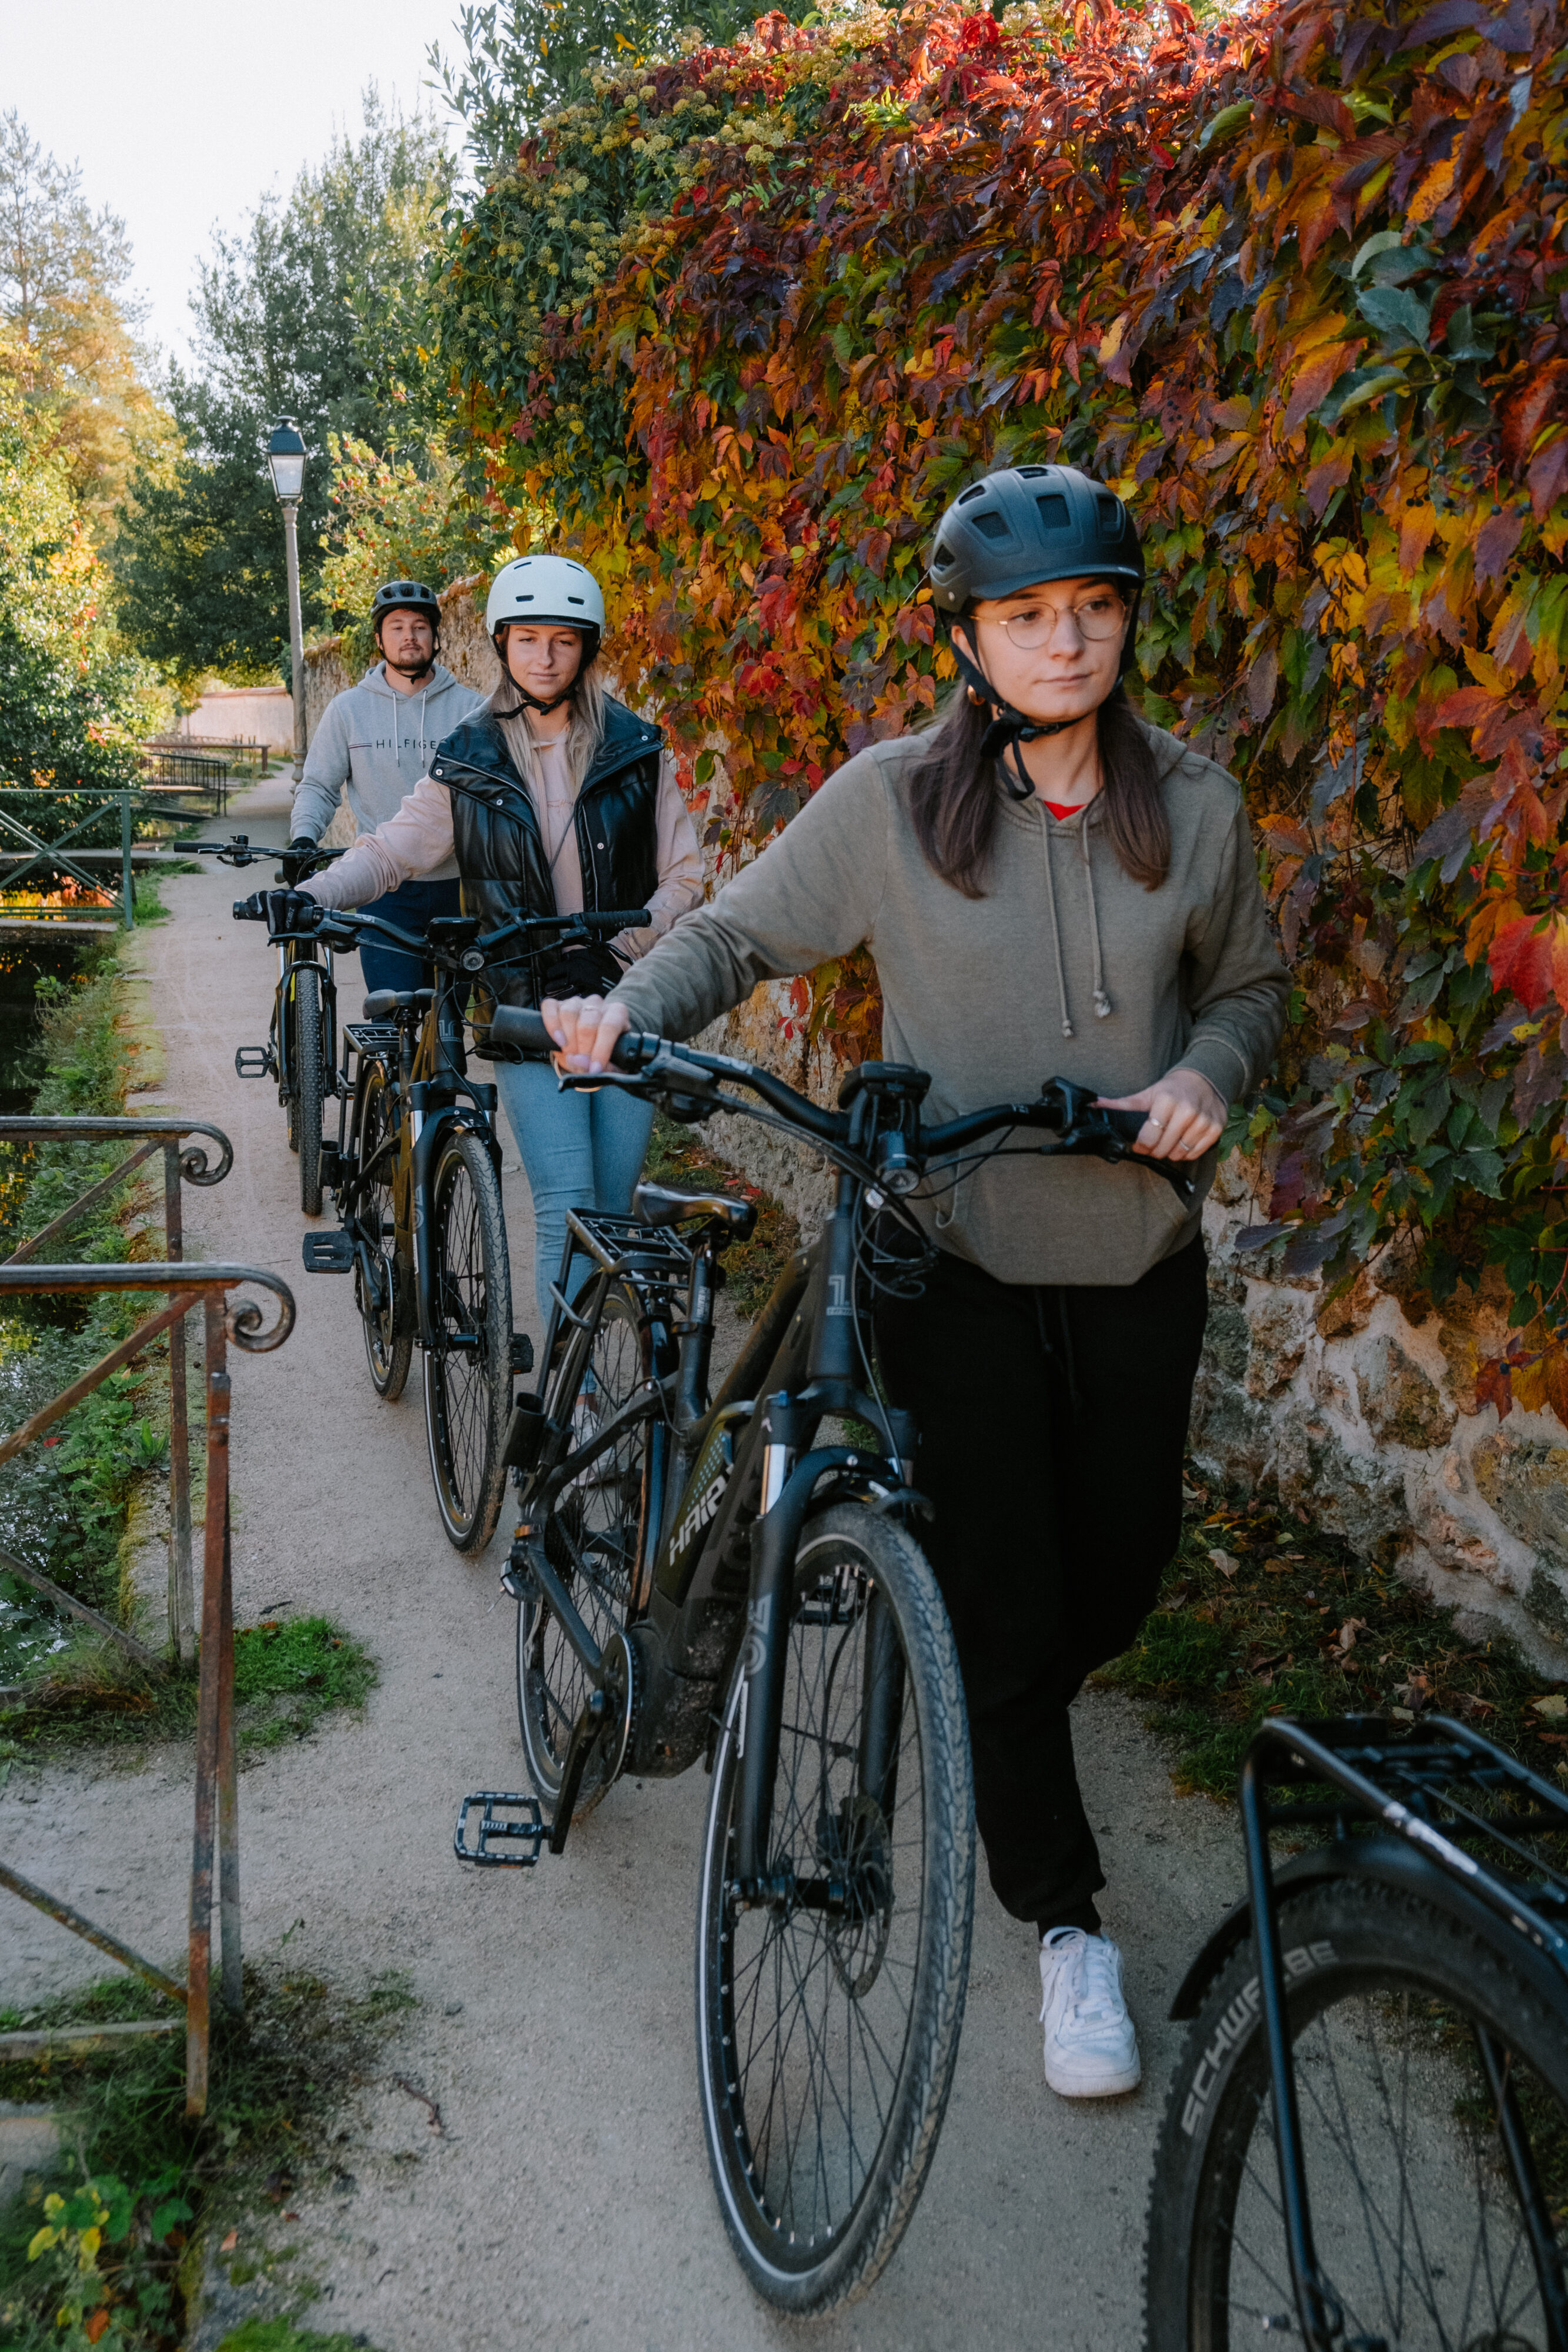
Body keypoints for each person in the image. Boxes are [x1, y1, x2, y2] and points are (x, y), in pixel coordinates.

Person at [537, 466, 1289, 2102]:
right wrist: (622, 1011)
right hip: (946, 1263)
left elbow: (1247, 987)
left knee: (1117, 1581)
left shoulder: (1201, 806)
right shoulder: (890, 807)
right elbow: (728, 938)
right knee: (1013, 1604)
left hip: (1133, 1259)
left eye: (1093, 607)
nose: (1067, 640)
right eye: (1028, 618)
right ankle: (1065, 1924)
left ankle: (992, 1707)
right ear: (969, 638)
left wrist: (1216, 1072)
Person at [298, 553, 702, 1324]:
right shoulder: (469, 757)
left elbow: (682, 881)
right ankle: (565, 1405)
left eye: (561, 640)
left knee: (613, 1209)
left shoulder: (638, 751)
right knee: (566, 1202)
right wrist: (309, 893)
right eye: (525, 640)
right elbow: (389, 850)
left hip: (628, 1000)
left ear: (586, 646)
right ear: (500, 645)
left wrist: (620, 951)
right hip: (524, 1004)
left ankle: (596, 1376)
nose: (543, 658)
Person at [286, 580, 486, 998]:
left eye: (419, 627)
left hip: (458, 889)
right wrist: (304, 837)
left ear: (436, 637)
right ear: (379, 639)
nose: (409, 637)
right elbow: (320, 785)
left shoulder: (472, 711)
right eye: (396, 627)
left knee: (448, 1023)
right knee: (393, 1013)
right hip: (383, 889)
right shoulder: (348, 710)